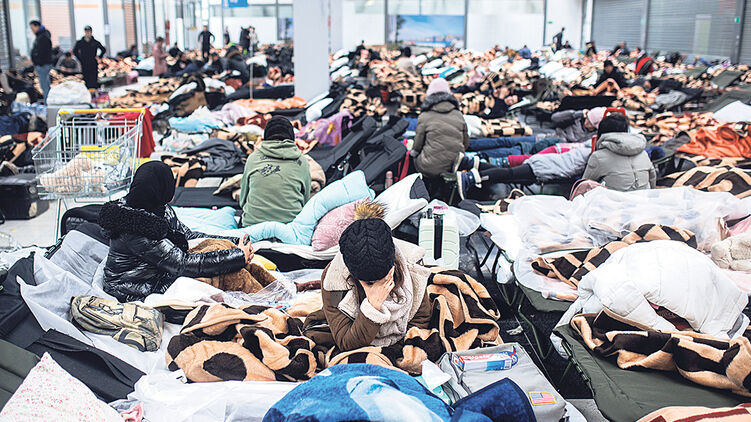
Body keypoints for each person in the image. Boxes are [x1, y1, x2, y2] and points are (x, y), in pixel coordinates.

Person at [98, 161, 253, 302]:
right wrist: (238, 256)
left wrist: (234, 242)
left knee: (219, 271)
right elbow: (181, 264)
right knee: (209, 285)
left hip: (154, 274)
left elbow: (188, 235)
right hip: (130, 288)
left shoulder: (157, 207)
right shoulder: (136, 227)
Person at [320, 211, 431, 351]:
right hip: (361, 341)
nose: (379, 287)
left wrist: (398, 348)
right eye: (369, 283)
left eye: (383, 280)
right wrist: (372, 307)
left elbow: (421, 319)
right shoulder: (334, 281)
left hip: (400, 342)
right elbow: (345, 342)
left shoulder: (412, 264)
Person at [240, 116, 311, 227]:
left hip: (252, 226)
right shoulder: (302, 162)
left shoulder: (253, 159)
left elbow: (242, 199)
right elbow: (306, 200)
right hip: (290, 226)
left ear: (265, 137)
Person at [583, 112, 656, 191]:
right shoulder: (643, 153)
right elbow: (652, 179)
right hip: (643, 197)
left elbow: (584, 186)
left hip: (615, 198)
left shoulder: (598, 157)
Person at [412, 78, 468, 178]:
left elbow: (417, 146)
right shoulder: (458, 114)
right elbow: (466, 142)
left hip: (429, 167)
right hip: (455, 165)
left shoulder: (424, 116)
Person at [29, 20, 53, 102]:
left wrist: (38, 62)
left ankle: (47, 103)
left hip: (43, 65)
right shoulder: (42, 36)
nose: (32, 30)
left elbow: (42, 52)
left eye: (32, 28)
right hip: (43, 64)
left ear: (37, 26)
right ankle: (48, 102)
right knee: (46, 85)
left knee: (45, 86)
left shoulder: (43, 37)